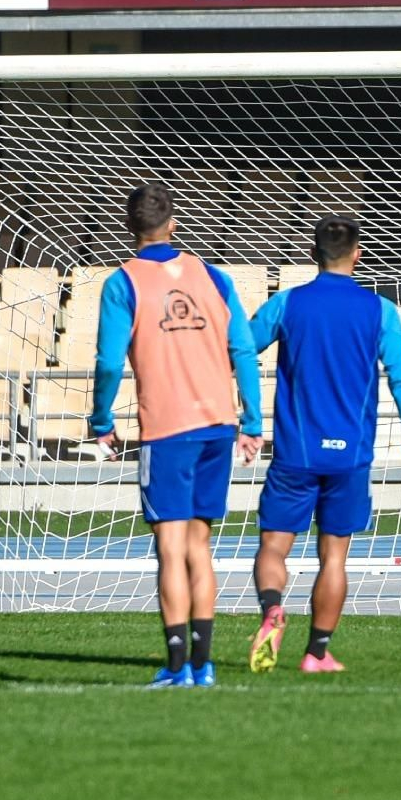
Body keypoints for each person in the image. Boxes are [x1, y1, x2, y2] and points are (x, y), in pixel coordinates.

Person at [90, 183, 264, 689]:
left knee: (169, 546)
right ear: (173, 224)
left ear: (129, 226)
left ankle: (175, 665)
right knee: (199, 547)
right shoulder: (213, 276)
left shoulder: (123, 283)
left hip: (167, 428)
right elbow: (245, 352)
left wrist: (101, 419)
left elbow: (106, 360)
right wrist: (251, 422)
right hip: (217, 424)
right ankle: (204, 664)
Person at [246, 215, 401, 675]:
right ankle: (317, 652)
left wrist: (246, 413)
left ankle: (272, 607)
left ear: (313, 255)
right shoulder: (380, 310)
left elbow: (241, 348)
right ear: (358, 255)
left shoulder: (287, 304)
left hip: (296, 452)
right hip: (350, 456)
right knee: (334, 557)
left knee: (273, 547)